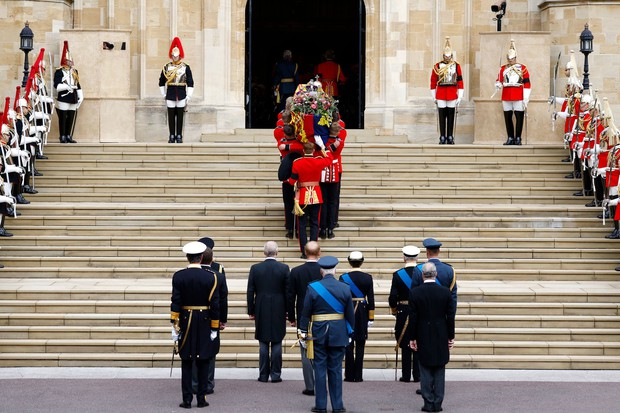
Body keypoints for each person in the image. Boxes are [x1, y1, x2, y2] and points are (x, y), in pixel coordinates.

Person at [299, 256, 355, 413]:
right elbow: (350, 314)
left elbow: (306, 312)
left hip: (318, 333)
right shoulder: (344, 287)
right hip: (339, 333)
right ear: (335, 270)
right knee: (336, 370)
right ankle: (337, 405)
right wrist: (350, 331)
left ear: (321, 271)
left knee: (320, 369)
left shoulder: (313, 287)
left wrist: (302, 331)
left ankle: (321, 405)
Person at [170, 241, 220, 409]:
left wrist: (174, 325)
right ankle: (201, 398)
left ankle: (186, 399)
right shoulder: (211, 276)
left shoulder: (178, 276)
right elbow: (215, 305)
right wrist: (214, 327)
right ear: (200, 258)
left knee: (186, 362)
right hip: (205, 321)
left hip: (185, 321)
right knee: (203, 360)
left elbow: (176, 302)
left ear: (188, 257)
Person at [409, 262, 456, 413]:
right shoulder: (445, 292)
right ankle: (438, 403)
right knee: (439, 369)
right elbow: (450, 317)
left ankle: (428, 402)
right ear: (435, 274)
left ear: (423, 275)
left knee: (425, 368)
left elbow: (413, 318)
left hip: (422, 333)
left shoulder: (415, 293)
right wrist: (451, 336)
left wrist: (412, 337)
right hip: (441, 333)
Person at [246, 241, 290, 383]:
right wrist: (289, 310)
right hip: (279, 306)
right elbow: (288, 292)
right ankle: (276, 374)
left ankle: (263, 374)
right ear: (277, 252)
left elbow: (250, 291)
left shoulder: (255, 268)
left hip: (261, 305)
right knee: (277, 340)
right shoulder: (284, 268)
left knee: (263, 341)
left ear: (264, 252)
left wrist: (250, 310)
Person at [287, 241, 323, 396]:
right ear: (319, 253)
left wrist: (292, 317)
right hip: (322, 315)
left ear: (304, 252)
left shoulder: (296, 271)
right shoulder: (324, 270)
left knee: (305, 352)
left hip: (303, 316)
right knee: (321, 351)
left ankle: (310, 386)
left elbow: (291, 297)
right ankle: (321, 384)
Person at [288, 140, 334, 258]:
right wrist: (324, 148)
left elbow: (292, 181)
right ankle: (313, 251)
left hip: (302, 196)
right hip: (316, 195)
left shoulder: (297, 162)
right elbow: (330, 159)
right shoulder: (318, 161)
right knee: (314, 223)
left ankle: (304, 252)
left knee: (302, 225)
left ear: (303, 151)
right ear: (313, 151)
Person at [195, 237, 228, 395]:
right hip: (211, 316)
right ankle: (207, 383)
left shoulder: (189, 272)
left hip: (194, 317)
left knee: (195, 350)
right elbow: (222, 299)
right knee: (210, 351)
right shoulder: (218, 273)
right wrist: (222, 319)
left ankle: (196, 383)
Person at [389, 245, 423, 385]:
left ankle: (405, 375)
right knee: (418, 342)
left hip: (403, 310)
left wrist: (394, 310)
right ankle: (417, 374)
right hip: (419, 310)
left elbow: (392, 297)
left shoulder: (398, 274)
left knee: (404, 342)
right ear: (417, 258)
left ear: (404, 258)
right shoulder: (423, 273)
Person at [340, 250, 375, 383]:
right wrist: (371, 317)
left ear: (349, 261)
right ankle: (358, 375)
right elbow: (371, 299)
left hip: (347, 310)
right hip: (362, 311)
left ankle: (349, 375)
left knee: (348, 344)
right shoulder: (368, 277)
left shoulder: (343, 278)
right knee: (361, 343)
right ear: (362, 261)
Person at [495, 39, 531, 146]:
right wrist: (498, 84)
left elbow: (527, 83)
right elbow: (499, 80)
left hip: (518, 94)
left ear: (515, 58)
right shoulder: (503, 68)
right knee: (508, 117)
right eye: (509, 58)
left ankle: (518, 137)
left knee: (519, 117)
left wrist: (526, 97)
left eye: (512, 58)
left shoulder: (522, 68)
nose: (510, 60)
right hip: (506, 95)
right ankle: (510, 137)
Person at [159, 37, 194, 144]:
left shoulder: (185, 67)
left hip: (182, 93)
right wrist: (163, 94)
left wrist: (189, 96)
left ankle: (179, 135)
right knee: (170, 116)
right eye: (173, 55)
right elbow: (161, 81)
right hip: (170, 93)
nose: (175, 57)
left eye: (177, 55)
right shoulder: (166, 67)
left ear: (180, 55)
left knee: (180, 116)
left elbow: (190, 82)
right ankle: (171, 135)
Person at [430, 37, 463, 145]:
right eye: (446, 56)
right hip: (441, 94)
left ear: (451, 56)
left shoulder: (456, 66)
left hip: (452, 93)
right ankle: (442, 136)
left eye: (449, 56)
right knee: (442, 116)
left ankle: (450, 136)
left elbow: (460, 81)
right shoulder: (437, 66)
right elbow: (433, 81)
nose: (447, 58)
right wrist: (434, 96)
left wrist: (460, 96)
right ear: (443, 56)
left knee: (451, 115)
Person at [319, 122, 345, 239]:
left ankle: (324, 228)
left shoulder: (325, 141)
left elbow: (326, 150)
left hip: (324, 171)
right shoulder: (339, 141)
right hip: (333, 171)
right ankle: (329, 228)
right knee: (332, 202)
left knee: (324, 202)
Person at [54, 40, 82, 144]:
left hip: (73, 97)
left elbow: (78, 84)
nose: (71, 62)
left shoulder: (75, 72)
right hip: (64, 97)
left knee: (71, 117)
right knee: (63, 118)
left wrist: (80, 95)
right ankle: (62, 136)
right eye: (69, 61)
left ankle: (69, 135)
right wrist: (67, 87)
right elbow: (56, 85)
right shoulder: (59, 71)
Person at [421, 238, 457, 315]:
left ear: (427, 252)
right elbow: (453, 297)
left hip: (423, 314)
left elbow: (413, 294)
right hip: (442, 315)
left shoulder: (419, 269)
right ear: (439, 251)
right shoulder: (450, 270)